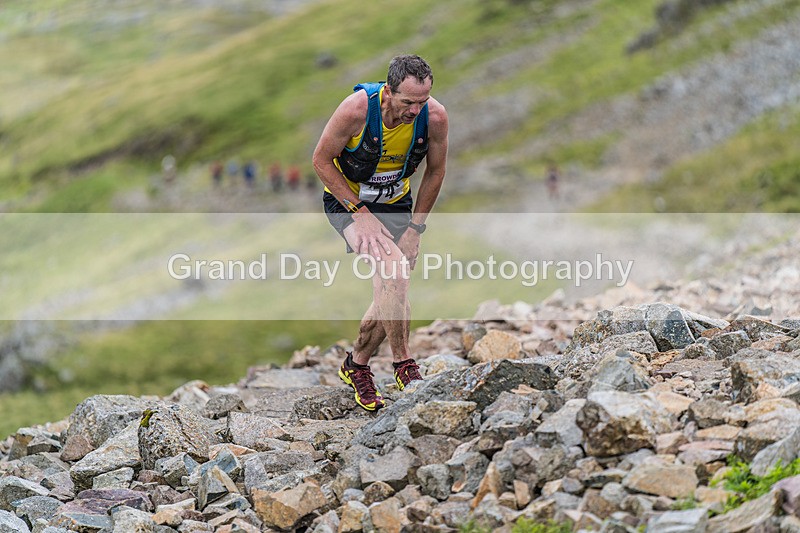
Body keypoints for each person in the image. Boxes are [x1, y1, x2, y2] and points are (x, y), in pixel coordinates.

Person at [312, 54, 448, 411]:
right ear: (388, 92)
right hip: (349, 204)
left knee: (392, 287)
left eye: (421, 102)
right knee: (394, 272)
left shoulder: (434, 117)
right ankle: (404, 364)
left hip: (397, 205)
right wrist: (360, 214)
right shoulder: (357, 109)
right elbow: (321, 161)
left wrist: (416, 228)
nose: (415, 111)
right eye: (407, 103)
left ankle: (356, 365)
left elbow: (435, 173)